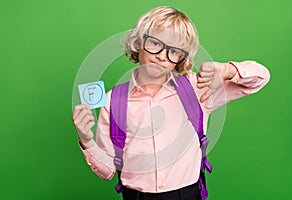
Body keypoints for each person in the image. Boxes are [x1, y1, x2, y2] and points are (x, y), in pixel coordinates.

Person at [72, 6, 270, 200]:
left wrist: (228, 70)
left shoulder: (197, 88)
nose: (161, 56)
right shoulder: (111, 100)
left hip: (187, 194)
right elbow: (107, 171)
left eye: (174, 51)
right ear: (139, 42)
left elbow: (261, 78)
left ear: (180, 59)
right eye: (156, 44)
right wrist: (87, 140)